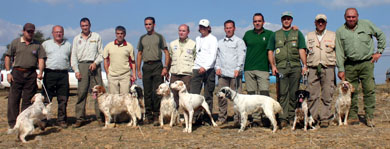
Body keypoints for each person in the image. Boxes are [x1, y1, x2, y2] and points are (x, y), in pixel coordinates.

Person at [336, 8, 386, 127]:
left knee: (369, 89)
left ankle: (369, 117)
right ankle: (352, 117)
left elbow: (381, 35)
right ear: (345, 17)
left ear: (357, 16)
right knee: (350, 91)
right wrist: (341, 68)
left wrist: (379, 51)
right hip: (350, 64)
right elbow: (339, 51)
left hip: (366, 63)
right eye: (349, 17)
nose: (351, 19)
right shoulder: (340, 31)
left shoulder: (367, 25)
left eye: (353, 17)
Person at [268, 11, 307, 128]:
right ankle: (282, 118)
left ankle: (292, 117)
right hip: (281, 68)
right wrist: (273, 66)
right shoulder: (275, 34)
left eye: (288, 19)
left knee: (294, 93)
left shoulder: (297, 33)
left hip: (295, 67)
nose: (286, 20)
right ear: (281, 20)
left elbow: (301, 50)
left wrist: (304, 65)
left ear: (292, 20)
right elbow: (270, 51)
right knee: (282, 93)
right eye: (284, 19)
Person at [5, 23, 46, 129]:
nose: (30, 33)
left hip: (31, 73)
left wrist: (40, 71)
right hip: (17, 73)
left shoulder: (37, 45)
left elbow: (41, 59)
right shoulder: (16, 42)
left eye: (32, 31)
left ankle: (25, 122)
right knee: (14, 99)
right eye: (28, 31)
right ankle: (13, 123)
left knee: (28, 100)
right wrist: (8, 72)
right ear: (23, 31)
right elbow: (8, 57)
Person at [71, 17, 104, 128]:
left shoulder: (96, 36)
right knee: (82, 93)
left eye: (86, 25)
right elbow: (73, 56)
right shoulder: (76, 39)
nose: (85, 28)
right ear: (81, 27)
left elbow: (101, 53)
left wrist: (95, 63)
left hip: (94, 66)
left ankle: (100, 117)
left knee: (98, 92)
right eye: (83, 26)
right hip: (82, 66)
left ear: (90, 25)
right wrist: (76, 70)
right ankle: (80, 118)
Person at [136, 16, 170, 125]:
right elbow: (139, 54)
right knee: (147, 92)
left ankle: (157, 116)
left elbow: (166, 52)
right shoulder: (142, 38)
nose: (148, 26)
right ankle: (148, 116)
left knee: (157, 91)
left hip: (157, 65)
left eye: (150, 24)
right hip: (146, 66)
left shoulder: (159, 37)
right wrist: (138, 70)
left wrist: (165, 67)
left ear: (154, 25)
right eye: (146, 24)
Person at [305, 14, 336, 128]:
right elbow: (304, 52)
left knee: (327, 93)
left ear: (326, 23)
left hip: (328, 67)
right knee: (312, 94)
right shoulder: (308, 36)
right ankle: (312, 118)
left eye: (323, 22)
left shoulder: (333, 35)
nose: (321, 23)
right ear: (315, 23)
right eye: (318, 22)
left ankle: (324, 118)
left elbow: (339, 52)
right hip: (313, 67)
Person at [215, 20, 246, 126]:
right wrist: (217, 67)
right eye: (226, 28)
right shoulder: (220, 42)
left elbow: (241, 57)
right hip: (223, 74)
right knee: (221, 97)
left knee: (237, 98)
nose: (228, 30)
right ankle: (222, 118)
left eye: (230, 28)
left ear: (234, 28)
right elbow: (217, 57)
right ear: (224, 29)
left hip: (234, 74)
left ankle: (238, 119)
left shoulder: (239, 42)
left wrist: (238, 68)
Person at [41, 25, 72, 128]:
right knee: (46, 98)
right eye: (56, 32)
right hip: (49, 73)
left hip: (63, 74)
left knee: (63, 98)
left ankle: (61, 120)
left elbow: (72, 59)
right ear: (52, 33)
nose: (59, 34)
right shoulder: (46, 44)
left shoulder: (68, 45)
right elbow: (40, 58)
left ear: (63, 33)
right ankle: (44, 120)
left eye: (60, 32)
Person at [190, 19, 218, 125]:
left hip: (208, 70)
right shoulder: (197, 39)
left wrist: (205, 67)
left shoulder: (213, 39)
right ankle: (195, 117)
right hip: (197, 69)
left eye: (204, 27)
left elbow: (213, 55)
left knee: (208, 94)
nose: (202, 29)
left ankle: (207, 118)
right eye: (201, 27)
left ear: (209, 28)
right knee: (194, 94)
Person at [243, 13, 274, 96]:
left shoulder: (270, 34)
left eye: (259, 21)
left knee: (264, 95)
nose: (257, 23)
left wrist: (293, 29)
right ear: (253, 23)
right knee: (251, 97)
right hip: (249, 69)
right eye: (255, 21)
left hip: (263, 69)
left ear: (263, 22)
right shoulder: (247, 34)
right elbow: (240, 49)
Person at [168, 24, 196, 106]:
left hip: (187, 74)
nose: (181, 32)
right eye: (180, 30)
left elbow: (196, 59)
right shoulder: (173, 44)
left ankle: (186, 117)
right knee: (173, 96)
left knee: (186, 98)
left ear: (188, 32)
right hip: (175, 73)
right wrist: (167, 71)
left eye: (183, 31)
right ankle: (175, 116)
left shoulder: (193, 44)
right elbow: (170, 58)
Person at [103, 26, 136, 94]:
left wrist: (134, 74)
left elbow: (132, 62)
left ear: (124, 34)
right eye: (118, 33)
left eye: (121, 33)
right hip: (112, 76)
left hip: (125, 76)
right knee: (114, 99)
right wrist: (107, 73)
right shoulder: (109, 46)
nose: (119, 35)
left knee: (125, 98)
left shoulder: (129, 46)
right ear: (115, 34)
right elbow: (105, 60)